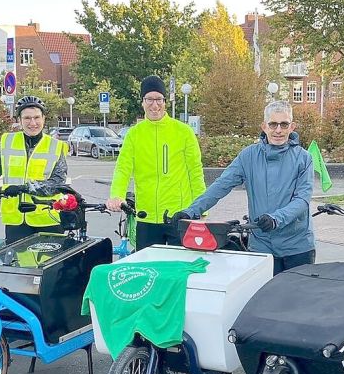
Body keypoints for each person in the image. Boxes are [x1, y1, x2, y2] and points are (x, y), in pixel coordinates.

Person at [173, 100, 314, 274]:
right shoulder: (248, 156)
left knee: (298, 300)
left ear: (292, 127)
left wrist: (276, 218)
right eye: (273, 124)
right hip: (262, 244)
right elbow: (221, 185)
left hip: (297, 246)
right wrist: (192, 210)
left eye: (284, 124)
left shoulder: (304, 158)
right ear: (264, 126)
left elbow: (302, 200)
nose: (278, 130)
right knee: (262, 300)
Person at [107, 75, 206, 249]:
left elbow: (195, 172)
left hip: (180, 216)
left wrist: (201, 207)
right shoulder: (134, 134)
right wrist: (117, 195)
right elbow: (123, 168)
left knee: (179, 269)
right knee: (148, 270)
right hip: (147, 217)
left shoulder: (183, 132)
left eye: (159, 99)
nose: (155, 105)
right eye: (149, 99)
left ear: (165, 101)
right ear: (142, 102)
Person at [0, 95, 70, 244]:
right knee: (17, 265)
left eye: (37, 117)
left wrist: (24, 188)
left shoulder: (56, 146)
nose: (33, 123)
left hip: (47, 218)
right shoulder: (7, 142)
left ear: (44, 119)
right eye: (27, 118)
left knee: (49, 266)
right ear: (19, 120)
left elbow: (56, 183)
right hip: (16, 220)